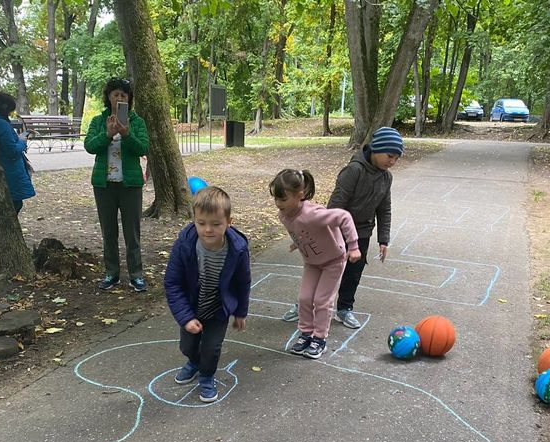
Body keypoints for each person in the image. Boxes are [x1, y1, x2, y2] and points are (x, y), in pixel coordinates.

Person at [280, 127, 402, 329]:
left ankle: (345, 309)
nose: (393, 162)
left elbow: (384, 208)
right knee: (323, 269)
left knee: (353, 272)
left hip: (362, 231)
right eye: (390, 156)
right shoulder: (353, 171)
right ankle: (304, 305)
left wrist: (383, 239)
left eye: (397, 158)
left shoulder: (386, 177)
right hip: (337, 230)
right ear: (376, 149)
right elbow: (336, 203)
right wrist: (329, 234)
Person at [163, 186, 251, 403]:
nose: (208, 230)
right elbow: (172, 283)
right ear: (194, 220)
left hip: (218, 309)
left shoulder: (237, 249)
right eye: (201, 223)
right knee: (188, 345)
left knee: (211, 348)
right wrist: (185, 317)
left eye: (216, 224)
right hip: (192, 306)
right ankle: (194, 362)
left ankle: (206, 376)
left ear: (229, 222)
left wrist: (240, 312)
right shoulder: (185, 245)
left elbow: (243, 282)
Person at [271, 169, 361, 359]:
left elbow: (344, 217)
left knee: (321, 301)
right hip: (312, 262)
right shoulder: (284, 215)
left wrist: (353, 246)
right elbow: (301, 230)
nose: (279, 204)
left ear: (300, 196)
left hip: (333, 261)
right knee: (304, 298)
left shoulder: (314, 214)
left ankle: (319, 338)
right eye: (276, 199)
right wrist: (298, 243)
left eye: (283, 199)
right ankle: (305, 334)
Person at [84, 77, 150, 292]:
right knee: (108, 232)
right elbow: (90, 146)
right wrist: (107, 134)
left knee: (132, 233)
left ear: (129, 99)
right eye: (115, 94)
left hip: (130, 185)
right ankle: (111, 273)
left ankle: (136, 275)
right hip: (104, 186)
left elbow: (143, 148)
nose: (119, 98)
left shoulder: (137, 121)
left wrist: (126, 133)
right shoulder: (97, 121)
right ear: (108, 98)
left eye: (124, 95)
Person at [0, 91, 35, 214]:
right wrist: (22, 140)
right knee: (14, 205)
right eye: (10, 111)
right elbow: (12, 151)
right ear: (5, 108)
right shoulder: (1, 125)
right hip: (9, 171)